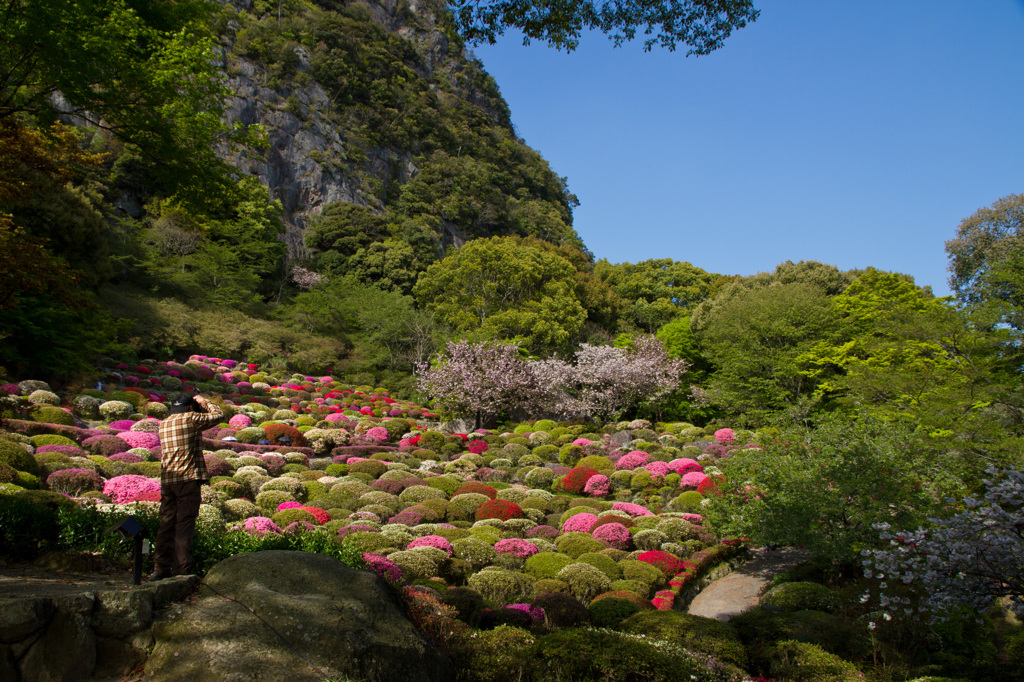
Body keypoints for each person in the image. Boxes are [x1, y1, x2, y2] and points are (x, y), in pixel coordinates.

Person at [152, 392, 223, 580]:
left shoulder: (164, 422)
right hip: (187, 479)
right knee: (184, 524)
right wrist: (203, 401)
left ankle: (160, 569)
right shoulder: (190, 418)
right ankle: (183, 572)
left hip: (168, 480)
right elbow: (218, 415)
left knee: (166, 524)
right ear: (189, 407)